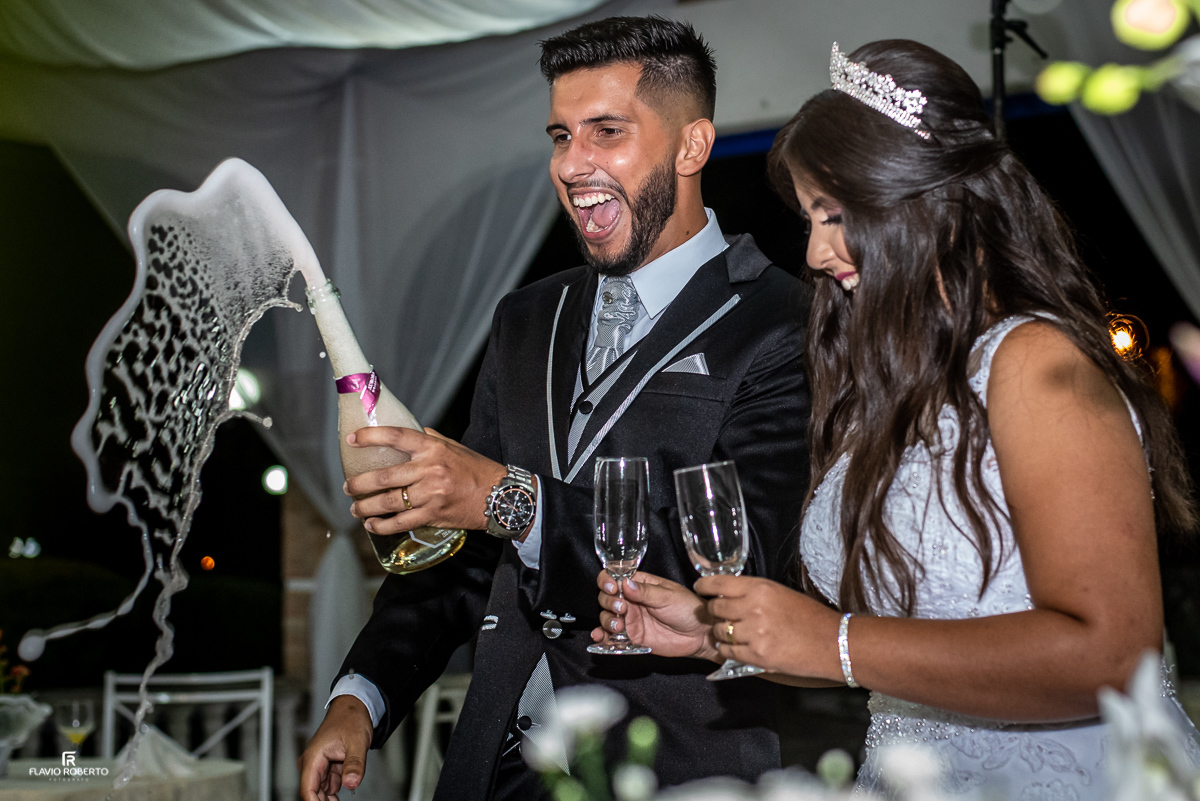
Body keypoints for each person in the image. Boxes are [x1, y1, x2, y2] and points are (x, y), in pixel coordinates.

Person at [595, 39, 1200, 797]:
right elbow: (878, 647)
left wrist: (836, 642)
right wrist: (718, 628)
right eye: (811, 217)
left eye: (836, 214)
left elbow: (1114, 656)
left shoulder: (1034, 364)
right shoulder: (885, 386)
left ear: (928, 204)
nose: (814, 251)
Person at [298, 16, 812, 801]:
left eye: (606, 132)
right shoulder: (525, 320)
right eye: (560, 135)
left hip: (672, 764)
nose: (573, 165)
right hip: (497, 768)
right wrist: (360, 697)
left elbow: (739, 564)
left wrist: (505, 498)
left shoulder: (782, 322)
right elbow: (464, 557)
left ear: (691, 146)